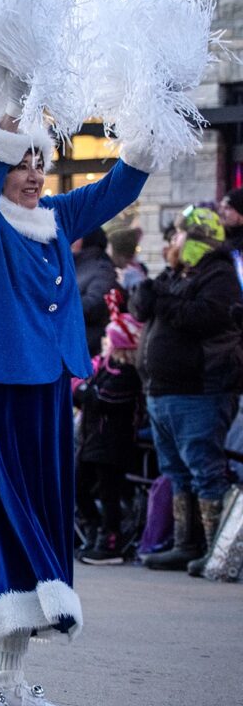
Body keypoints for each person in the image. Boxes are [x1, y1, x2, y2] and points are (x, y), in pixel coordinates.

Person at [0, 114, 154, 706]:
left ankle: (9, 679)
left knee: (36, 521)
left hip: (45, 388)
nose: (33, 174)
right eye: (20, 161)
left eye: (40, 161)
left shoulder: (53, 218)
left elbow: (116, 189)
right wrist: (4, 120)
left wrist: (150, 125)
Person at [130, 206, 243, 574]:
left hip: (200, 391)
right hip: (162, 391)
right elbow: (146, 309)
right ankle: (184, 544)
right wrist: (146, 294)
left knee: (204, 469)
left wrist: (162, 298)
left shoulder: (220, 275)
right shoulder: (177, 274)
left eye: (178, 235)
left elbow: (203, 318)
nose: (172, 242)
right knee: (175, 470)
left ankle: (216, 552)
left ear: (196, 240)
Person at [73, 301, 144, 566]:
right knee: (78, 487)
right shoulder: (102, 369)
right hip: (92, 441)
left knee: (108, 492)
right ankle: (92, 528)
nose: (103, 342)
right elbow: (88, 396)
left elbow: (102, 399)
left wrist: (81, 390)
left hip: (112, 444)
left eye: (108, 338)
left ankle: (109, 540)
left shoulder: (126, 374)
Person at [74, 226, 119, 357]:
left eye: (77, 236)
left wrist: (58, 307)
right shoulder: (73, 265)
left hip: (88, 347)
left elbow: (96, 304)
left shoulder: (101, 268)